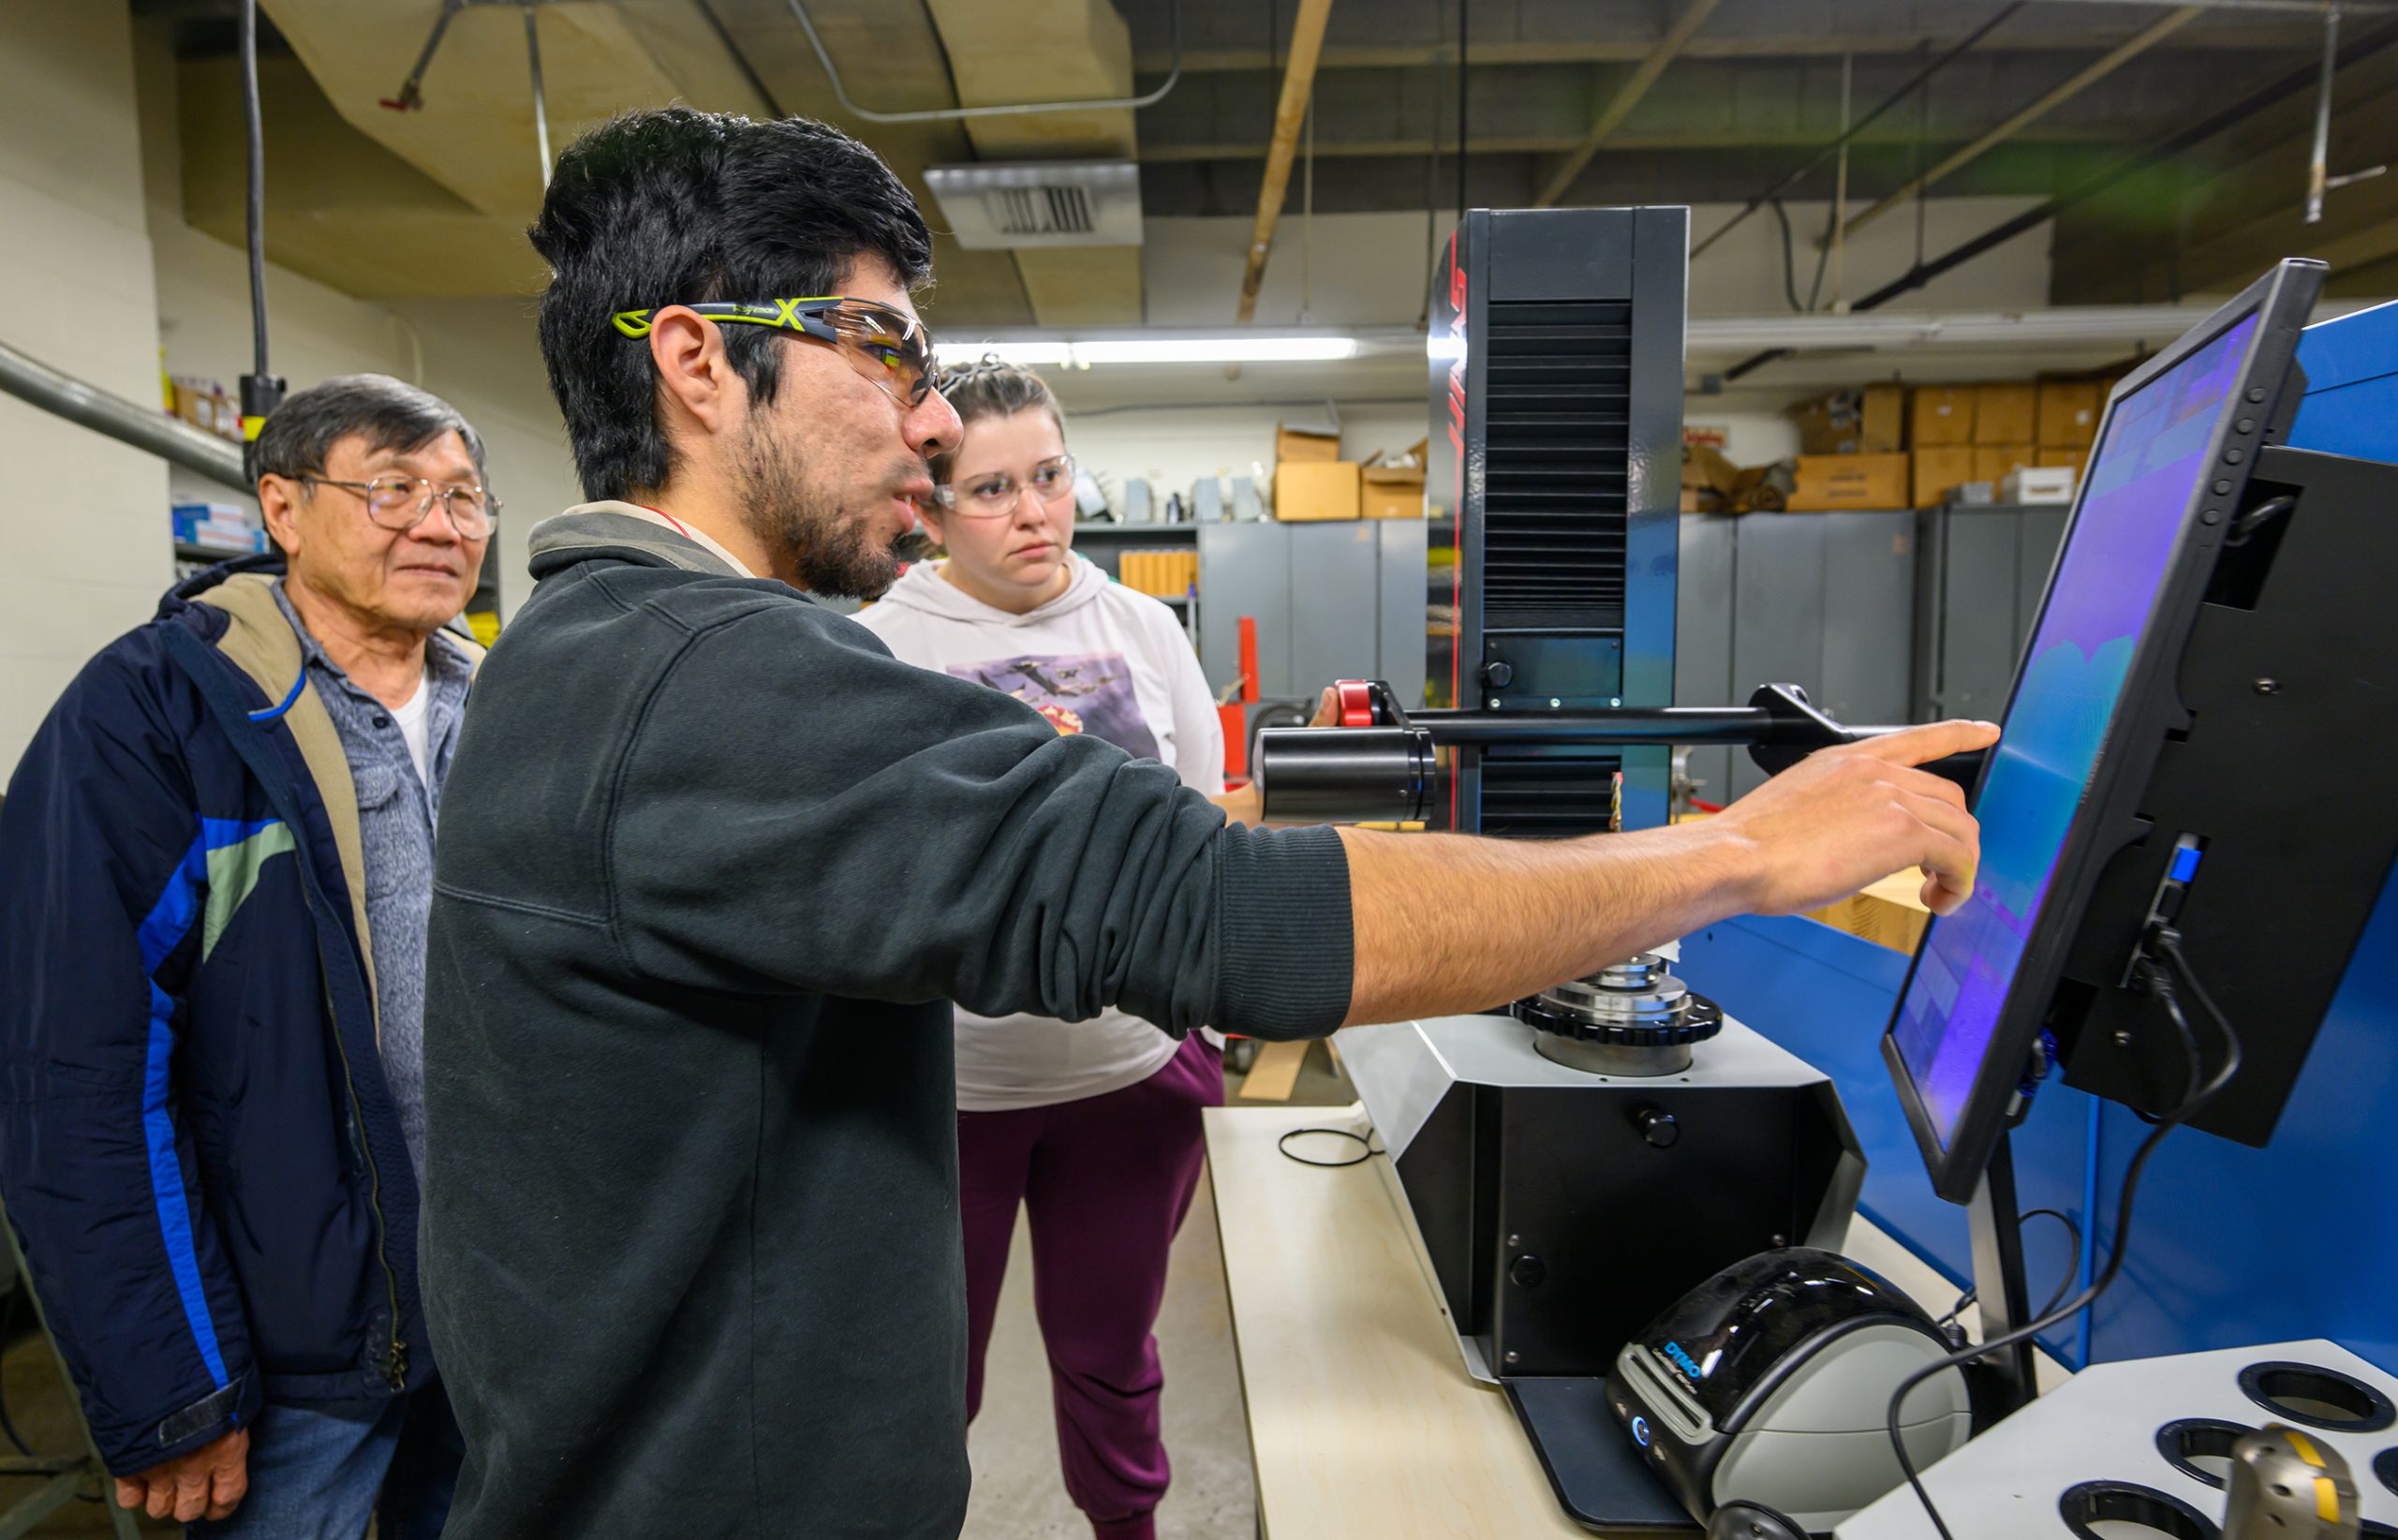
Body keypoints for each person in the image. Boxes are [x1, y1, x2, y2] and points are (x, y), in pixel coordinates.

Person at [419, 107, 1994, 1540]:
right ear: (697, 363)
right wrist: (1747, 853)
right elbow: (1228, 909)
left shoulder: (603, 654)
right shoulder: (707, 679)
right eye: (882, 349)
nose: (932, 427)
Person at [0, 375, 493, 1535]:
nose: (438, 523)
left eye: (465, 497)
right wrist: (170, 1381)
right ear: (281, 507)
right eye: (393, 489)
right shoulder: (157, 716)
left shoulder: (508, 708)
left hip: (500, 1322)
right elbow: (77, 1072)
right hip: (292, 1346)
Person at [852, 359, 1266, 1539]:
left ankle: (1125, 1527)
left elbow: (1196, 825)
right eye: (990, 490)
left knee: (1108, 1353)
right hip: (942, 1093)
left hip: (1127, 1078)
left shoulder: (1144, 627)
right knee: (933, 1376)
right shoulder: (883, 645)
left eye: (1048, 475)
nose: (1032, 511)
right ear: (926, 505)